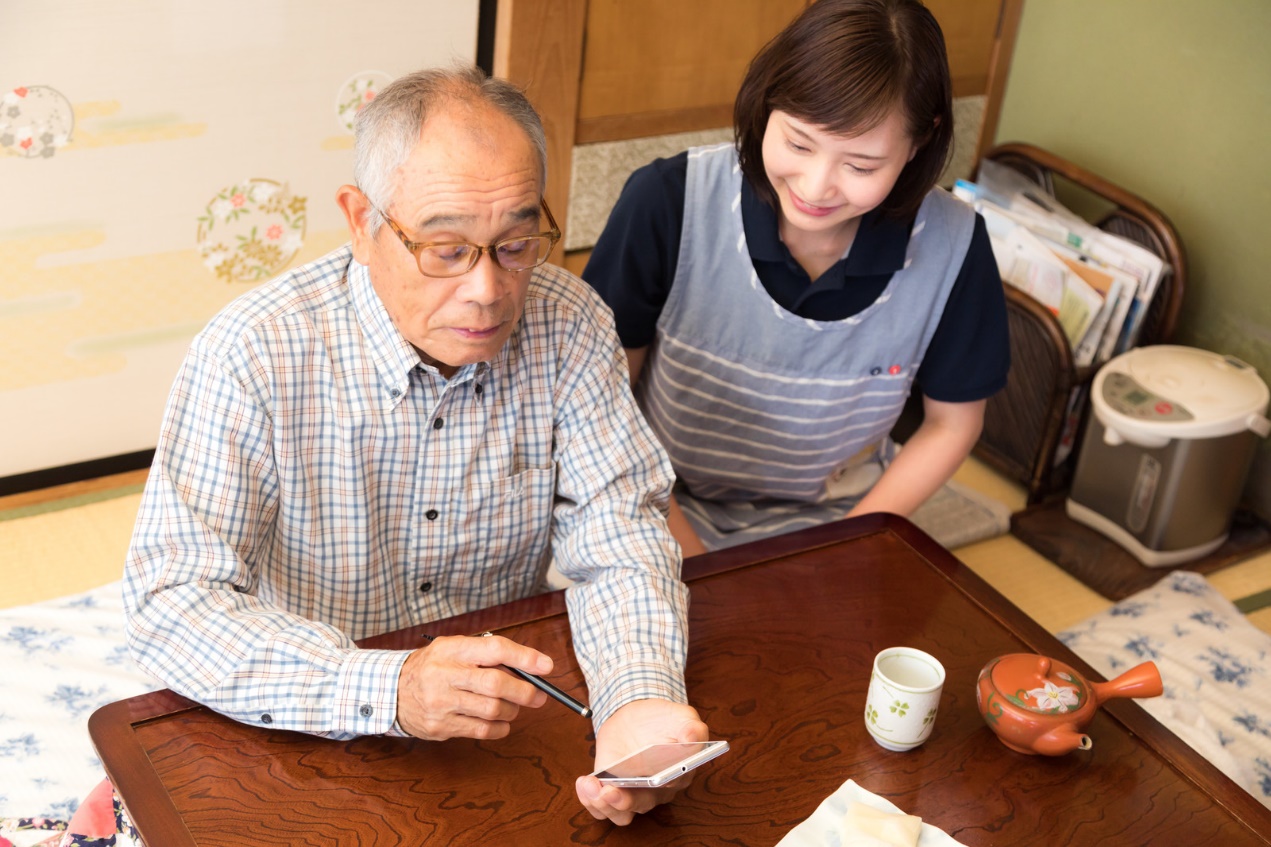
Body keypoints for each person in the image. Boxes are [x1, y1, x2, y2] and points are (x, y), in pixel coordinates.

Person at [123, 65, 708, 826]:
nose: (486, 290)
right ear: (362, 222)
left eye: (515, 242)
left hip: (503, 722)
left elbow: (621, 535)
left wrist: (637, 699)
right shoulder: (254, 352)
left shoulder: (570, 326)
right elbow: (169, 604)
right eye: (445, 248)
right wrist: (389, 687)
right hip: (304, 717)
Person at [583, 0, 1010, 555]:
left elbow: (952, 425)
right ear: (767, 104)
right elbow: (599, 408)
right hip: (654, 500)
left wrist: (842, 548)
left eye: (860, 166)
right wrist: (693, 559)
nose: (815, 186)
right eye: (798, 143)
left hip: (842, 515)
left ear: (919, 141)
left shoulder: (954, 244)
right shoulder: (667, 202)